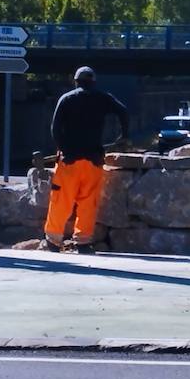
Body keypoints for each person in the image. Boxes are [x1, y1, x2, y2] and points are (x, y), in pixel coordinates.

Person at [40, 66, 130, 254]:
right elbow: (123, 112)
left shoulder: (66, 99)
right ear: (94, 82)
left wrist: (64, 149)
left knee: (61, 200)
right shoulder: (103, 98)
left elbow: (55, 129)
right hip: (94, 160)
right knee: (88, 202)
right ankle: (83, 241)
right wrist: (123, 136)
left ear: (76, 81)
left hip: (69, 161)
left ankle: (54, 240)